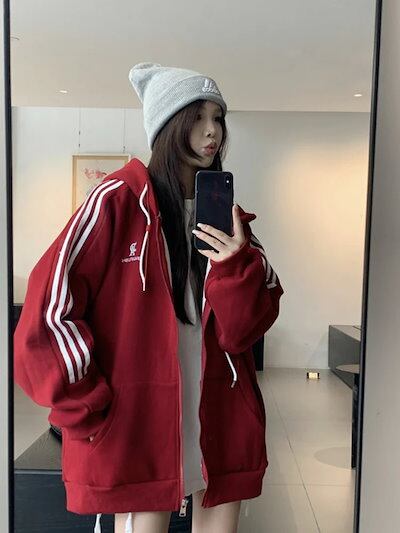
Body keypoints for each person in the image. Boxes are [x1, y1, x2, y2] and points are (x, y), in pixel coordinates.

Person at [14, 63, 284, 533]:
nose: (212, 131)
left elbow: (244, 332)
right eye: (197, 117)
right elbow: (48, 308)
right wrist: (86, 404)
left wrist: (235, 264)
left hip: (219, 410)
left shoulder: (231, 219)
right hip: (137, 416)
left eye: (218, 118)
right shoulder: (116, 199)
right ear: (168, 125)